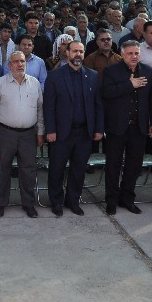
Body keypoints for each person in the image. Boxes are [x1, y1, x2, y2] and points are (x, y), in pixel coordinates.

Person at [44, 41, 104, 216]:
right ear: (67, 53)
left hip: (84, 133)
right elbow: (49, 106)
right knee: (57, 169)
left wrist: (99, 129)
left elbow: (98, 105)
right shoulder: (54, 76)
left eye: (81, 51)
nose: (78, 54)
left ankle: (73, 201)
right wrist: (50, 130)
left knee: (78, 170)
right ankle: (56, 202)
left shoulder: (92, 75)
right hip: (61, 133)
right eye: (75, 51)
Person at [101, 40, 152, 215]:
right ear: (122, 54)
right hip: (117, 127)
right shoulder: (111, 71)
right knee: (113, 165)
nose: (134, 56)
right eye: (130, 53)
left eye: (136, 53)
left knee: (134, 166)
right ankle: (111, 200)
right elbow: (106, 93)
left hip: (139, 127)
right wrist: (130, 85)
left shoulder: (147, 71)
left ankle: (127, 199)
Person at [0, 50, 44, 218]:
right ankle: (0, 203)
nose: (20, 64)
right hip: (5, 133)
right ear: (9, 65)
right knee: (2, 169)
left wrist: (40, 131)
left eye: (22, 61)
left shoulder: (35, 83)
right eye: (16, 62)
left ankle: (28, 204)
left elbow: (40, 109)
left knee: (28, 170)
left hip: (28, 134)